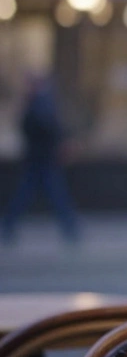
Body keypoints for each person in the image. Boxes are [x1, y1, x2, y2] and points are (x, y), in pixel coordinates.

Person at [1, 73, 80, 246]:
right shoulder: (39, 103)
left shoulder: (40, 103)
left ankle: (70, 227)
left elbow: (45, 128)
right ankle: (70, 227)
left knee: (48, 194)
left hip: (42, 158)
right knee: (48, 194)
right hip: (40, 159)